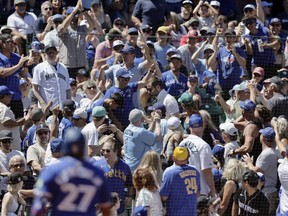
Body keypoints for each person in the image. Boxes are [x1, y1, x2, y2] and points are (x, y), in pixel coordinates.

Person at [31, 128, 112, 216]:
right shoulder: (98, 173)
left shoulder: (52, 170)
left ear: (66, 146)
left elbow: (38, 209)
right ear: (83, 147)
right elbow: (106, 208)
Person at [90, 136, 133, 216]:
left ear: (116, 151)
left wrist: (129, 196)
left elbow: (130, 183)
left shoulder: (124, 166)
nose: (104, 153)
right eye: (103, 151)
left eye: (108, 151)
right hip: (101, 208)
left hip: (119, 208)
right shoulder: (97, 166)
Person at [242, 127, 278, 215]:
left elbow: (257, 171)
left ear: (263, 138)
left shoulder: (267, 153)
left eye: (261, 134)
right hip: (266, 190)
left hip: (267, 191)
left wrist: (249, 162)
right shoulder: (269, 152)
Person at [179, 114, 216, 197]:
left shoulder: (182, 143)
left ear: (189, 127)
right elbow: (206, 171)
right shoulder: (203, 145)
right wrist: (213, 191)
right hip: (200, 191)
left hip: (184, 188)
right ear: (202, 126)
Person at [160, 146, 201, 216]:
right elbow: (198, 194)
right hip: (192, 213)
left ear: (173, 157)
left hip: (175, 212)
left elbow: (164, 197)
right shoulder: (195, 171)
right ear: (188, 157)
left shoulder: (170, 172)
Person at [32, 44, 71, 110]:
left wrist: (69, 103)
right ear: (45, 54)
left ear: (56, 53)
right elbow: (35, 89)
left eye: (53, 52)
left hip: (63, 108)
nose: (51, 54)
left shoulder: (63, 68)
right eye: (49, 53)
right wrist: (42, 103)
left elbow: (68, 89)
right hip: (48, 108)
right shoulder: (39, 68)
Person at [0, 34, 29, 118]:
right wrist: (19, 65)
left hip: (16, 96)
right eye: (9, 42)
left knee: (18, 123)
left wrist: (26, 66)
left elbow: (22, 74)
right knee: (4, 124)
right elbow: (2, 73)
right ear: (1, 43)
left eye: (14, 42)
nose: (12, 44)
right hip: (3, 97)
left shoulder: (16, 57)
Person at [0, 86, 29, 151]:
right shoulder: (3, 108)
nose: (11, 98)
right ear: (4, 97)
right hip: (8, 148)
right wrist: (19, 123)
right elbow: (6, 122)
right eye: (9, 95)